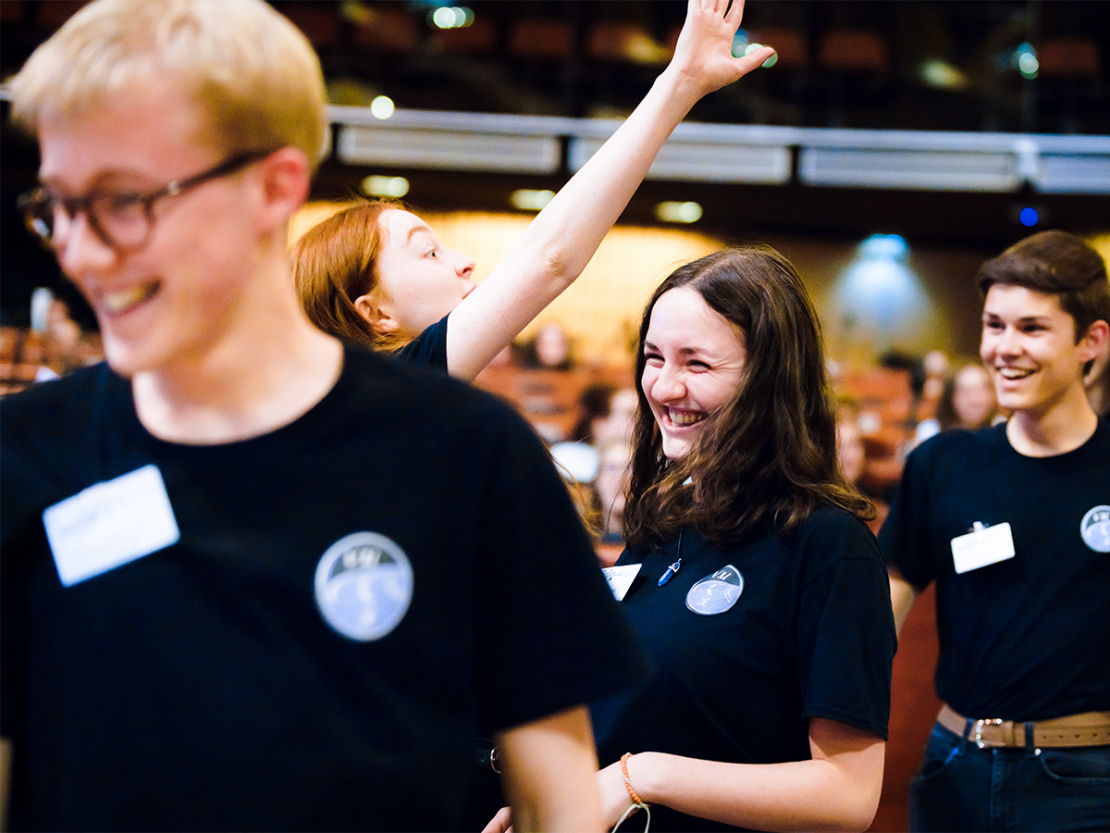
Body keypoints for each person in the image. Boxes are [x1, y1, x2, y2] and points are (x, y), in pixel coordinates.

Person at [0, 1, 652, 831]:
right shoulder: (26, 457)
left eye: (125, 201)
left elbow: (556, 805)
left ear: (274, 187)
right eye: (57, 207)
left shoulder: (468, 456)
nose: (80, 253)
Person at [491, 247, 897, 833]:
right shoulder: (662, 520)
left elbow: (848, 795)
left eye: (697, 364)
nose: (664, 385)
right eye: (654, 357)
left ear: (767, 378)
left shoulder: (828, 544)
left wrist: (643, 776)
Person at [291, 0, 775, 381]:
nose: (464, 261)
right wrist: (681, 83)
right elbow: (550, 258)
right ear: (375, 313)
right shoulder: (395, 382)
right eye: (429, 254)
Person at [881, 230, 1110, 833]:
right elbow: (888, 598)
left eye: (1032, 328)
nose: (1004, 348)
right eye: (994, 325)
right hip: (953, 764)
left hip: (1087, 780)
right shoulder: (944, 463)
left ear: (1092, 341)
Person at [911, 360, 998, 445]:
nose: (975, 399)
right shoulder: (931, 432)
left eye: (982, 390)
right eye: (965, 391)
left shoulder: (1002, 430)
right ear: (951, 396)